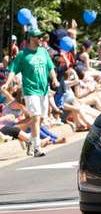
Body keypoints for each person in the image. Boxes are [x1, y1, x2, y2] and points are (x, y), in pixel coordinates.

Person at [2, 28, 59, 157]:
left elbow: (50, 68)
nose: (41, 39)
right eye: (38, 37)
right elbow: (12, 70)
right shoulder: (23, 54)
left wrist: (54, 79)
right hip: (30, 90)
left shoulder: (44, 52)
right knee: (36, 117)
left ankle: (30, 141)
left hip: (43, 90)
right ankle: (37, 147)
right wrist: (7, 82)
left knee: (41, 118)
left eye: (41, 37)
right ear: (31, 38)